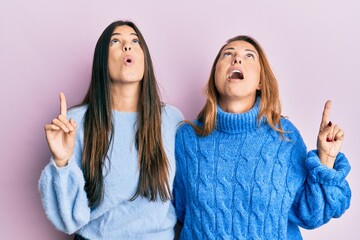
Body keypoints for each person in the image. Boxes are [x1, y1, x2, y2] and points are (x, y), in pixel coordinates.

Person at [173, 35, 351, 239]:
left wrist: (326, 159)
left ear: (260, 81)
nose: (237, 59)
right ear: (215, 75)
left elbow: (311, 214)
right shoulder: (187, 138)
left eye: (249, 56)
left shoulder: (283, 135)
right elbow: (181, 212)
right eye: (227, 54)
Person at [39, 20, 183, 239]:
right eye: (116, 41)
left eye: (135, 41)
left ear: (145, 59)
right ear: (101, 61)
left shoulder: (171, 119)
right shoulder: (75, 122)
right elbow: (68, 221)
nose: (127, 46)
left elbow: (185, 197)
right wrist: (62, 163)